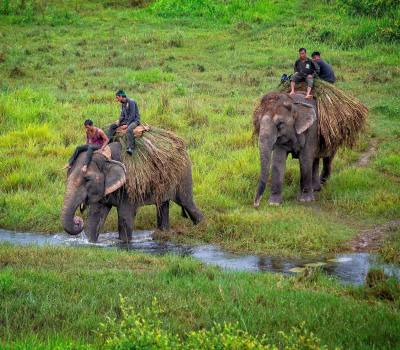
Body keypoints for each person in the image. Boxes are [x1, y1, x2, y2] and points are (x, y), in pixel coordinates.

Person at [107, 90, 140, 155]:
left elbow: (132, 115)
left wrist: (127, 125)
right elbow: (122, 115)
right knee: (112, 126)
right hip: (125, 120)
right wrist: (119, 120)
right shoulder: (123, 104)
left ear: (121, 96)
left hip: (134, 121)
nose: (117, 99)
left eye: (117, 97)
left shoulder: (131, 102)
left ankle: (130, 148)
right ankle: (109, 141)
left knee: (129, 130)